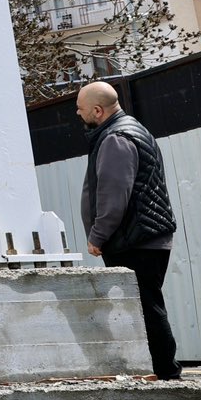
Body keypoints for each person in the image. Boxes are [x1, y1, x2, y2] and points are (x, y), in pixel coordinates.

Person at [77, 80, 181, 380]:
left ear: (97, 110)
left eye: (81, 109)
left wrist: (97, 236)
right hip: (143, 236)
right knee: (147, 303)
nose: (78, 114)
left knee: (146, 306)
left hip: (135, 239)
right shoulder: (132, 129)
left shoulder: (115, 138)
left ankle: (166, 372)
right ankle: (161, 369)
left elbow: (113, 195)